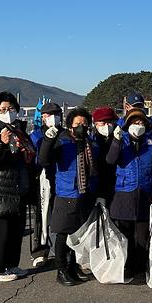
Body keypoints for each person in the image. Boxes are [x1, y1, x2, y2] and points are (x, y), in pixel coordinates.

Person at [0, 92, 37, 282]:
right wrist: (1, 144)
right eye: (2, 109)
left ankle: (12, 265)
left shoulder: (20, 131)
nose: (7, 112)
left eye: (10, 109)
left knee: (15, 233)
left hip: (17, 190)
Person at [39, 107, 102, 286]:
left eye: (84, 123)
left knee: (78, 234)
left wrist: (96, 193)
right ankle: (61, 269)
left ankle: (73, 266)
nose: (81, 126)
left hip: (86, 194)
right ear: (70, 126)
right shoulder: (62, 142)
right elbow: (44, 159)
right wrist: (48, 140)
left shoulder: (91, 144)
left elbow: (96, 171)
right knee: (62, 234)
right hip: (67, 193)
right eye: (77, 124)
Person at [106, 107, 152, 281]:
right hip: (124, 194)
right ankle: (125, 267)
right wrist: (116, 141)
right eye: (134, 123)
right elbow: (110, 160)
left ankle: (140, 268)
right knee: (124, 236)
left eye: (141, 123)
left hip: (145, 194)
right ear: (128, 125)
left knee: (142, 236)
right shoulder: (121, 140)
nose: (138, 126)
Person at [28, 101, 63, 267]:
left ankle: (60, 248)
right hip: (42, 180)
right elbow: (33, 160)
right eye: (48, 115)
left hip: (62, 180)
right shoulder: (36, 135)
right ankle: (40, 251)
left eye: (56, 114)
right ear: (42, 118)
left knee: (60, 215)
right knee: (41, 215)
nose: (53, 118)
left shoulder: (65, 134)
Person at [92, 106, 119, 209]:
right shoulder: (92, 141)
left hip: (118, 187)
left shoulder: (120, 139)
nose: (107, 126)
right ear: (95, 124)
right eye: (103, 123)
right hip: (98, 188)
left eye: (109, 122)